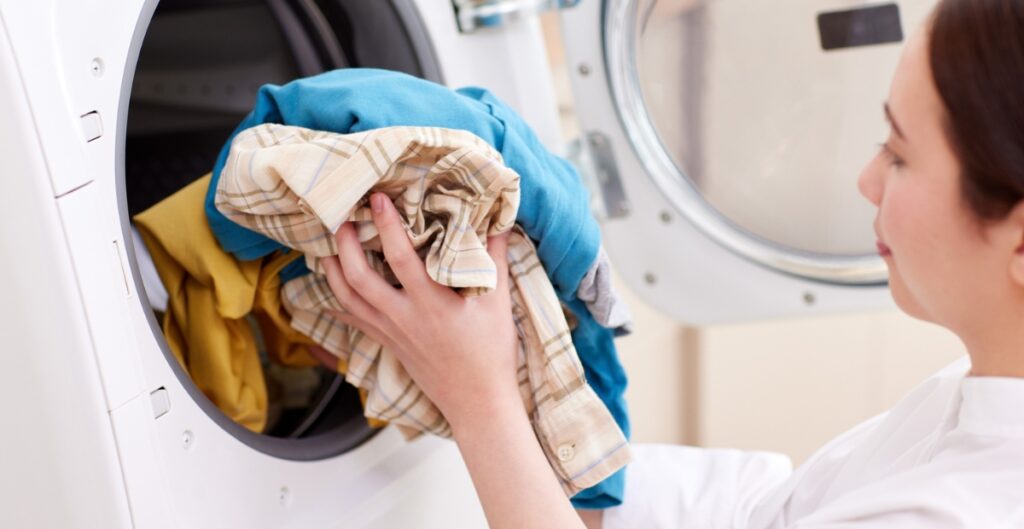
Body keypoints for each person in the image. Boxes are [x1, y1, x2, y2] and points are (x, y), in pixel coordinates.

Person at [318, 0, 1024, 527]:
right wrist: (525, 420)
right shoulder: (968, 399)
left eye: (899, 155)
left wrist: (482, 405)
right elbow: (766, 513)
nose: (867, 180)